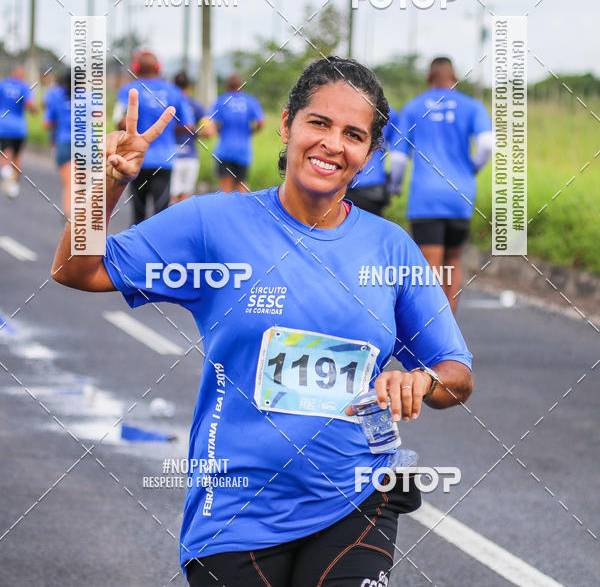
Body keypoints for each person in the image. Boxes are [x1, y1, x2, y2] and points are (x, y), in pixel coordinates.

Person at [52, 56, 473, 587]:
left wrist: (423, 380)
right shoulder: (213, 225)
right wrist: (105, 185)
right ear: (287, 125)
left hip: (355, 494)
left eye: (354, 134)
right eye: (318, 123)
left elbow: (456, 372)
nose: (332, 144)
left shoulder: (390, 248)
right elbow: (76, 269)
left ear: (368, 154)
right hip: (233, 514)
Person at [390, 57, 494, 314]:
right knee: (454, 261)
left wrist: (395, 185)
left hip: (425, 198)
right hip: (460, 195)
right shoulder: (472, 106)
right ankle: (450, 330)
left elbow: (399, 157)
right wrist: (472, 169)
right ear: (454, 76)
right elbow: (487, 145)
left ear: (429, 78)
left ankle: (431, 331)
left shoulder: (414, 108)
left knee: (431, 268)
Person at [114, 50, 192, 223]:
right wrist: (167, 127)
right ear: (158, 67)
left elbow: (119, 122)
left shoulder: (127, 90)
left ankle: (135, 249)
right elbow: (188, 125)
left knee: (138, 214)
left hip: (135, 161)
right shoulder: (174, 91)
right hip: (164, 161)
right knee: (161, 215)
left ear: (136, 67)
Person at [209, 74, 264, 192]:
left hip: (225, 150)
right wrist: (250, 131)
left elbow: (211, 123)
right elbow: (260, 122)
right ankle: (244, 210)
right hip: (243, 151)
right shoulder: (250, 101)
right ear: (241, 85)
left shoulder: (221, 100)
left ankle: (225, 210)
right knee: (241, 185)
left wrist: (219, 130)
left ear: (226, 86)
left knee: (225, 188)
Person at [345, 105, 402, 216]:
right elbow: (398, 155)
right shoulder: (389, 113)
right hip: (372, 188)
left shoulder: (343, 105)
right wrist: (395, 185)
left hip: (340, 184)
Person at [170, 71, 216, 203]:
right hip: (190, 157)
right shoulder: (196, 106)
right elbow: (209, 132)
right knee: (185, 199)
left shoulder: (168, 103)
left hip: (171, 157)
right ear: (190, 86)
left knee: (172, 199)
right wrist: (193, 131)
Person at [0, 64, 38, 198]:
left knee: (5, 153)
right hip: (19, 128)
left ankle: (6, 173)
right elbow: (30, 105)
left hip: (3, 125)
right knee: (17, 157)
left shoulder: (3, 84)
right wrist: (36, 110)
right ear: (21, 75)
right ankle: (14, 185)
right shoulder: (24, 87)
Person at [43, 69, 72, 215]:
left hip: (64, 144)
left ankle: (70, 221)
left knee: (70, 186)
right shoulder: (91, 97)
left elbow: (47, 124)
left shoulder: (55, 95)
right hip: (88, 146)